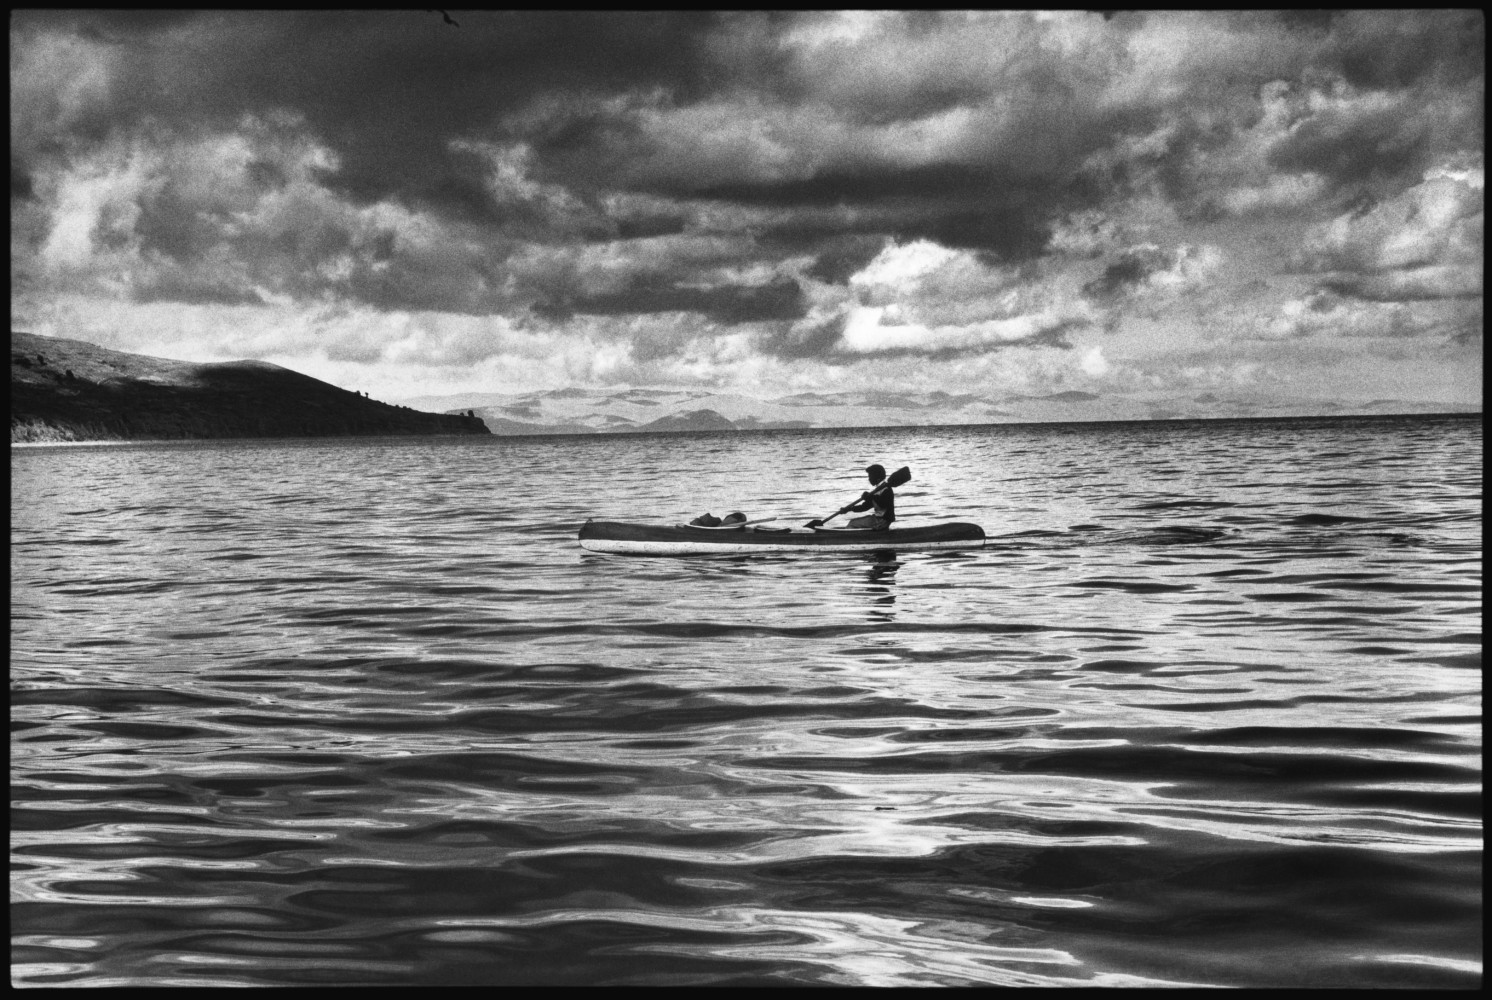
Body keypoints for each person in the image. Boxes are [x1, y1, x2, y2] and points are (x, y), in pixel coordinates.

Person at [846, 464, 896, 529]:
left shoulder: (886, 489)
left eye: (870, 476)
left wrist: (870, 497)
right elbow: (865, 507)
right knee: (853, 522)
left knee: (852, 523)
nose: (869, 479)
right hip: (878, 519)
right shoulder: (877, 490)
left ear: (877, 477)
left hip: (882, 521)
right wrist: (849, 509)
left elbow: (883, 504)